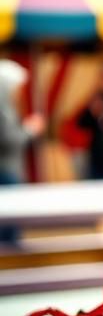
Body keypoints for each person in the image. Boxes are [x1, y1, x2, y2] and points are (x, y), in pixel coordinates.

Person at [0, 60, 44, 245]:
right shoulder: (4, 110)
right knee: (9, 221)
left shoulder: (7, 108)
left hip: (9, 168)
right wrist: (30, 129)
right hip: (6, 170)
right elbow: (9, 140)